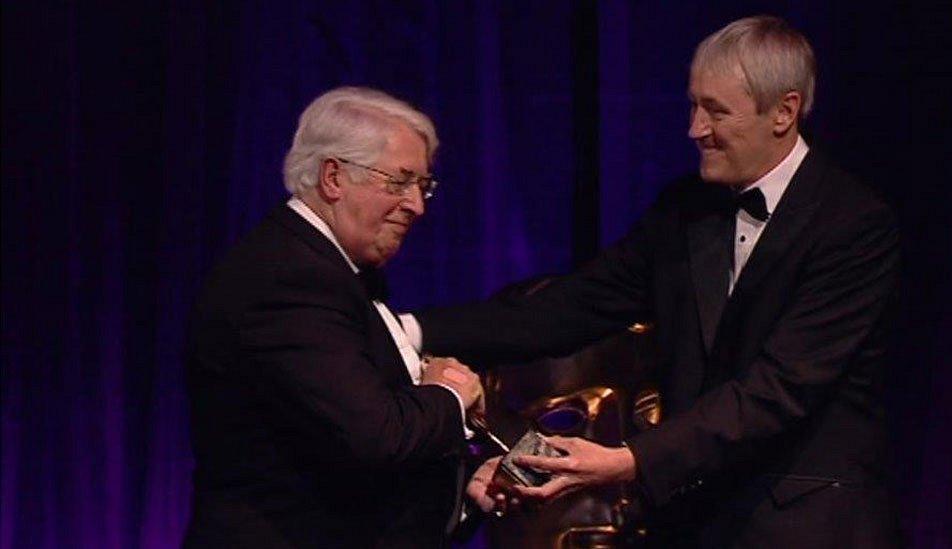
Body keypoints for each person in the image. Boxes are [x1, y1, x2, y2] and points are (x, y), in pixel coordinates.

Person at [411, 16, 902, 548]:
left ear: (784, 111)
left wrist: (630, 460)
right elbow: (569, 307)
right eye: (694, 105)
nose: (695, 128)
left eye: (716, 110)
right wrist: (411, 330)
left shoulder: (853, 224)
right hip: (697, 520)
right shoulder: (684, 210)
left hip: (807, 523)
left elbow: (780, 389)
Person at [183, 87, 484, 548]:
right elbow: (375, 437)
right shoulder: (288, 277)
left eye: (423, 186)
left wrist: (468, 497)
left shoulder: (330, 269)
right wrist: (449, 394)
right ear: (333, 178)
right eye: (399, 182)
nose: (417, 206)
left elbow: (338, 463)